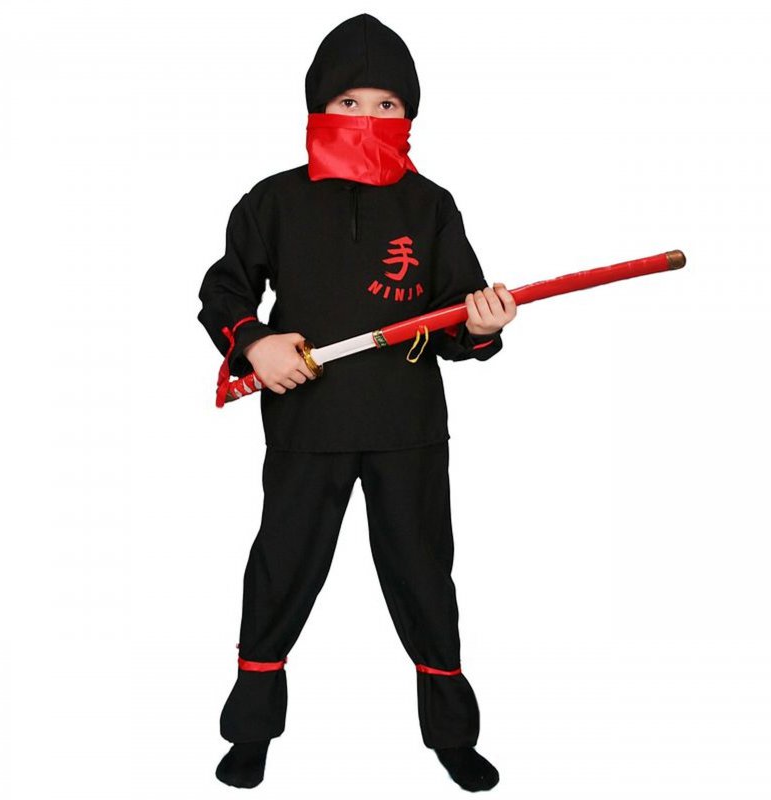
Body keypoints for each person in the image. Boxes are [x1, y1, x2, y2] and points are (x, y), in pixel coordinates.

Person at [197, 13, 517, 792]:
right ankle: (251, 731)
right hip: (307, 425)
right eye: (349, 102)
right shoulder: (273, 200)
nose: (367, 117)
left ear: (409, 112)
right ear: (318, 107)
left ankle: (452, 735)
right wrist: (255, 343)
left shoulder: (431, 206)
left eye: (385, 104)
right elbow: (224, 291)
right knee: (281, 570)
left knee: (425, 576)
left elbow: (454, 320)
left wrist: (479, 328)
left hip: (409, 427)